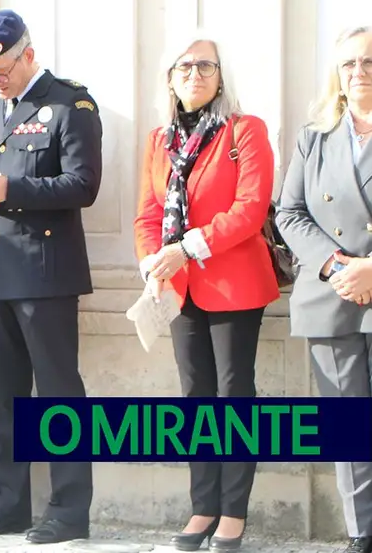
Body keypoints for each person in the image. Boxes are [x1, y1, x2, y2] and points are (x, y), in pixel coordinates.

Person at [0, 10, 102, 545]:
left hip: (45, 274)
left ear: (28, 54)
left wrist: (9, 191)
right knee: (4, 397)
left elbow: (82, 185)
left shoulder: (70, 105)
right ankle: (8, 505)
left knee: (59, 395)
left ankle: (68, 511)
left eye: (3, 70)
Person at [133, 32, 278, 552]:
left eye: (207, 67)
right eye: (186, 67)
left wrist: (187, 247)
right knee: (195, 400)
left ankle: (233, 515)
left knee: (234, 397)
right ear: (170, 78)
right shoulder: (159, 140)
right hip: (178, 287)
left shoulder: (245, 130)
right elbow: (149, 214)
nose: (196, 75)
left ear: (221, 78)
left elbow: (250, 208)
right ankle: (203, 508)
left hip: (234, 284)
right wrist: (152, 259)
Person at [277, 25, 372, 553]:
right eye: (348, 64)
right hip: (331, 293)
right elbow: (289, 213)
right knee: (347, 425)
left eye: (369, 62)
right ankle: (362, 533)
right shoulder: (314, 135)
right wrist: (338, 266)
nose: (358, 72)